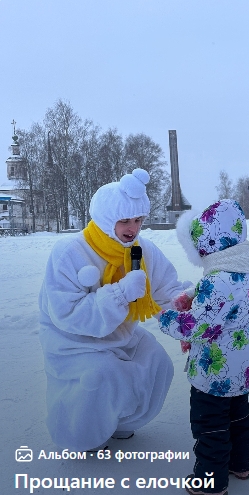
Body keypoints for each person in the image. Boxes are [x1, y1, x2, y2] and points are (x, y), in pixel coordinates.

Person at [38, 168, 191, 451]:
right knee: (100, 375)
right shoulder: (70, 252)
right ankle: (80, 437)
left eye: (138, 219)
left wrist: (184, 303)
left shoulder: (141, 249)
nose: (132, 227)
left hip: (121, 336)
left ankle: (122, 422)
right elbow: (66, 314)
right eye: (124, 220)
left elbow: (165, 288)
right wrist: (120, 293)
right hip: (74, 342)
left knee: (157, 361)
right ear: (108, 219)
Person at [158, 199, 249, 495]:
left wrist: (165, 317)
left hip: (213, 374)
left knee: (210, 426)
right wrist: (193, 293)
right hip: (241, 370)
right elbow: (223, 295)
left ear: (207, 245)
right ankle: (242, 465)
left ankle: (210, 481)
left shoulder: (218, 283)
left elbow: (197, 325)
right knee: (239, 416)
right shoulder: (245, 272)